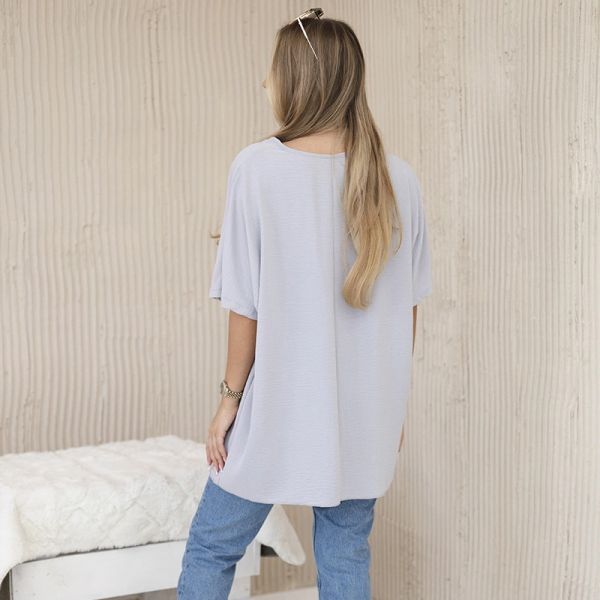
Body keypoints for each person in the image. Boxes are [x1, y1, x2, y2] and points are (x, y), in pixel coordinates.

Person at [177, 8, 433, 600]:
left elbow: (245, 305)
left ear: (295, 80)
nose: (265, 82)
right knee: (345, 555)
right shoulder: (400, 179)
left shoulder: (257, 169)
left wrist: (229, 401)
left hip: (279, 404)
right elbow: (406, 310)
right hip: (366, 413)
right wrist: (391, 407)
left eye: (272, 71)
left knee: (212, 548)